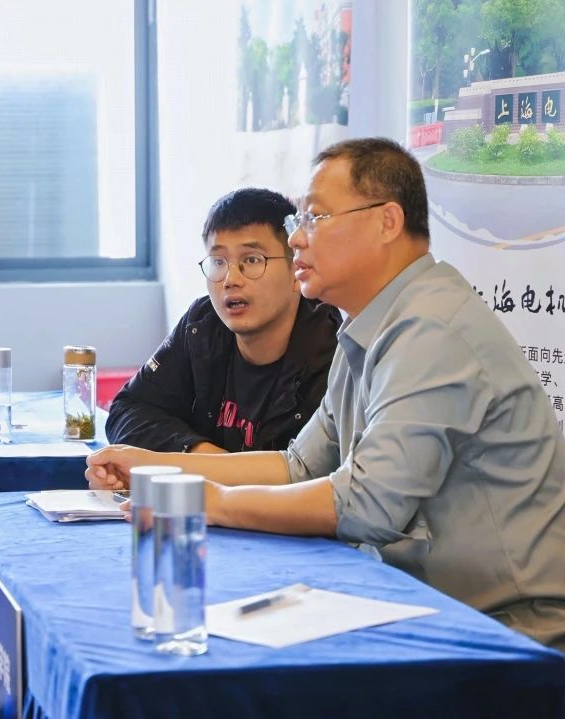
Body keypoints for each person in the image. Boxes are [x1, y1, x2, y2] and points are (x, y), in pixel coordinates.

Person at [87, 138, 565, 652]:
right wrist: (156, 467)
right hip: (421, 602)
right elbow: (299, 466)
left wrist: (215, 501)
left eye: (314, 218)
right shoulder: (371, 324)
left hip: (509, 632)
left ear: (386, 222)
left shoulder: (432, 329)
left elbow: (365, 505)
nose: (297, 240)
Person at [105, 188, 340, 453]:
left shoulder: (333, 351)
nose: (231, 280)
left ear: (297, 270)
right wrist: (201, 454)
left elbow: (321, 467)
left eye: (252, 260)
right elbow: (129, 409)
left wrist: (218, 469)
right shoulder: (201, 326)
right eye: (218, 262)